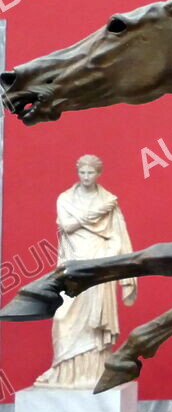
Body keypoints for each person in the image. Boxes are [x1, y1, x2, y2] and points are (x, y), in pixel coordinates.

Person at [35, 155, 137, 389]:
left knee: (95, 325)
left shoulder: (109, 200)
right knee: (62, 318)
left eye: (90, 173)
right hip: (73, 265)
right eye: (82, 172)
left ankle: (94, 371)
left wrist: (110, 261)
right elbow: (67, 226)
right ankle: (63, 370)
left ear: (98, 174)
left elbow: (118, 237)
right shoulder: (66, 199)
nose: (86, 177)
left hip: (98, 266)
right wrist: (98, 212)